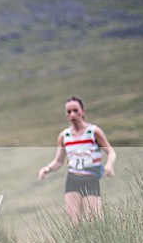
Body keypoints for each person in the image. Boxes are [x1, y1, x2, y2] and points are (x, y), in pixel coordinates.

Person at [38, 96, 115, 224]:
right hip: (72, 180)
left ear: (82, 111)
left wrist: (109, 165)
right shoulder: (64, 136)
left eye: (75, 110)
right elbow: (58, 161)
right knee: (75, 224)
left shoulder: (93, 131)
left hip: (91, 179)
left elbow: (110, 152)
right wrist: (47, 169)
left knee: (95, 222)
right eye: (68, 112)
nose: (72, 114)